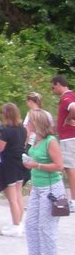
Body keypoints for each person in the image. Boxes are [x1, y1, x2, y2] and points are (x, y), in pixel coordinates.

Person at [20, 108, 63, 255]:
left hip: (50, 187)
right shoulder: (34, 139)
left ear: (36, 123)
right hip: (38, 185)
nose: (27, 124)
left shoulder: (50, 141)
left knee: (46, 225)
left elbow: (59, 165)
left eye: (30, 122)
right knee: (31, 223)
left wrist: (37, 165)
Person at [0, 102, 28, 235]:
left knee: (12, 198)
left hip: (8, 165)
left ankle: (16, 226)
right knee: (18, 195)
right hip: (19, 162)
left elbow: (0, 149)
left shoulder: (5, 132)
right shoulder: (22, 129)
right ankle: (19, 223)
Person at [50, 74, 75, 208]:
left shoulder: (66, 97)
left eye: (53, 87)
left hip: (69, 137)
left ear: (58, 84)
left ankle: (73, 201)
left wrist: (68, 119)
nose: (52, 90)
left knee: (70, 169)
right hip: (70, 136)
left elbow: (73, 109)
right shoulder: (72, 95)